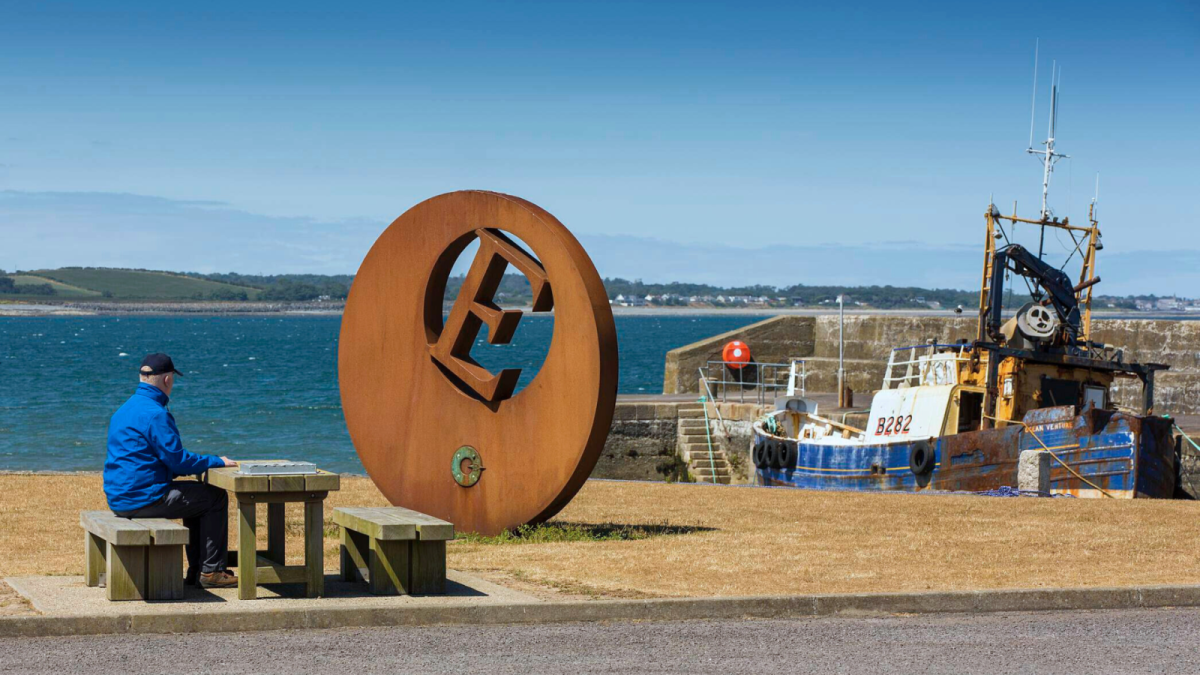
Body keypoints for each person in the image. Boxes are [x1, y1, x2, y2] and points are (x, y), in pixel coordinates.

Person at [103, 353, 240, 588]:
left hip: (120, 497)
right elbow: (178, 461)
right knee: (214, 497)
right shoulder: (156, 414)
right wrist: (215, 461)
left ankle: (198, 570)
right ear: (167, 380)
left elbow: (148, 460)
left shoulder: (125, 409)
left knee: (198, 497)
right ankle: (211, 571)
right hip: (142, 498)